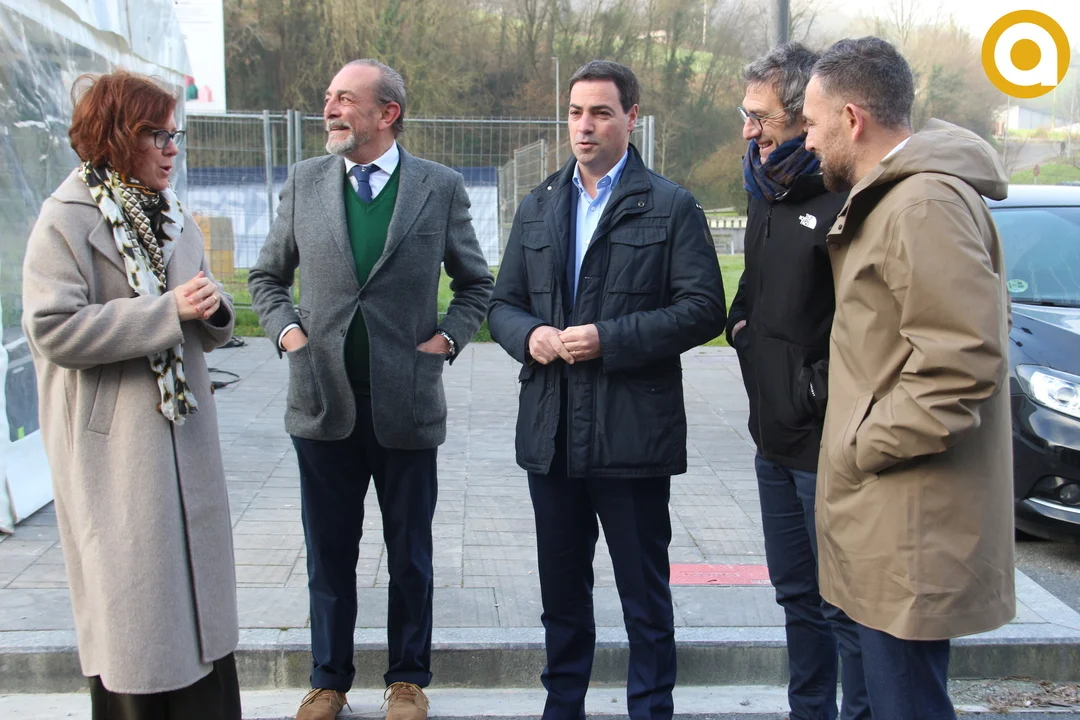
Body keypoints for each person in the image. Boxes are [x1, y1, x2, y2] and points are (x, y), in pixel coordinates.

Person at [248, 59, 493, 720]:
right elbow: (267, 277)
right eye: (329, 97)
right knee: (329, 553)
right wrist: (289, 335)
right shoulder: (305, 181)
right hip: (321, 402)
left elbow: (476, 282)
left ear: (388, 113)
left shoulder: (438, 187)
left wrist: (448, 339)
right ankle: (328, 680)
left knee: (410, 554)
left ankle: (407, 679)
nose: (330, 109)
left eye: (345, 99)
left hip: (406, 405)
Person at [488, 60, 727, 720]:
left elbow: (704, 309)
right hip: (552, 435)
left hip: (632, 437)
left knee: (644, 600)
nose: (584, 126)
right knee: (561, 597)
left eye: (600, 112)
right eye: (575, 112)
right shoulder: (538, 205)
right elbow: (502, 304)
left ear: (631, 118)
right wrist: (530, 335)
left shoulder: (671, 206)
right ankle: (562, 707)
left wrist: (608, 339)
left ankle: (650, 710)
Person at [802, 37, 1015, 719]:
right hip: (886, 521)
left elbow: (961, 361)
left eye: (813, 122)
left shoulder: (922, 205)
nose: (807, 140)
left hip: (907, 524)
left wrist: (862, 446)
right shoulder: (896, 199)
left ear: (852, 119)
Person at [22, 70, 240, 720]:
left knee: (199, 616)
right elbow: (53, 328)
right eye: (156, 135)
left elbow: (199, 310)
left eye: (175, 135)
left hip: (183, 440)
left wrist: (213, 309)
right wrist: (167, 311)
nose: (171, 149)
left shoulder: (171, 214)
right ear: (115, 136)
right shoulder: (66, 219)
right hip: (117, 453)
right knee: (137, 618)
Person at [726, 42, 869, 720]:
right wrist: (740, 330)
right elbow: (752, 292)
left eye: (762, 119)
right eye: (745, 115)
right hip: (771, 441)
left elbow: (866, 326)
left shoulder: (845, 197)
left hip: (827, 446)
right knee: (796, 599)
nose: (748, 132)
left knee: (845, 607)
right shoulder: (766, 190)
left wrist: (813, 392)